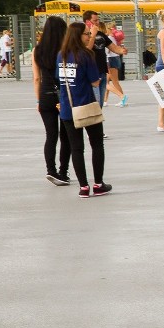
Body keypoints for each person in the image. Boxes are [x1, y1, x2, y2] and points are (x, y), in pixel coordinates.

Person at [57, 22, 111, 198]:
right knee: (97, 144)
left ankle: (83, 187)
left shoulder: (61, 56)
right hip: (86, 105)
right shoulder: (86, 55)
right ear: (78, 36)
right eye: (87, 34)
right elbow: (95, 81)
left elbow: (59, 80)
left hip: (67, 108)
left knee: (76, 148)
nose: (90, 37)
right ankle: (98, 183)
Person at [32, 16, 71, 186]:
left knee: (50, 135)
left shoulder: (37, 50)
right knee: (66, 135)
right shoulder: (64, 50)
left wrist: (39, 100)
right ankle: (63, 171)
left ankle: (50, 169)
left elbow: (36, 78)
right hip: (62, 94)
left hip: (45, 95)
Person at [103, 21, 128, 107]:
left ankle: (122, 98)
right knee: (106, 81)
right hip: (116, 58)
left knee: (114, 81)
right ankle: (105, 100)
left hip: (110, 59)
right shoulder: (116, 39)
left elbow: (108, 50)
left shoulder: (109, 38)